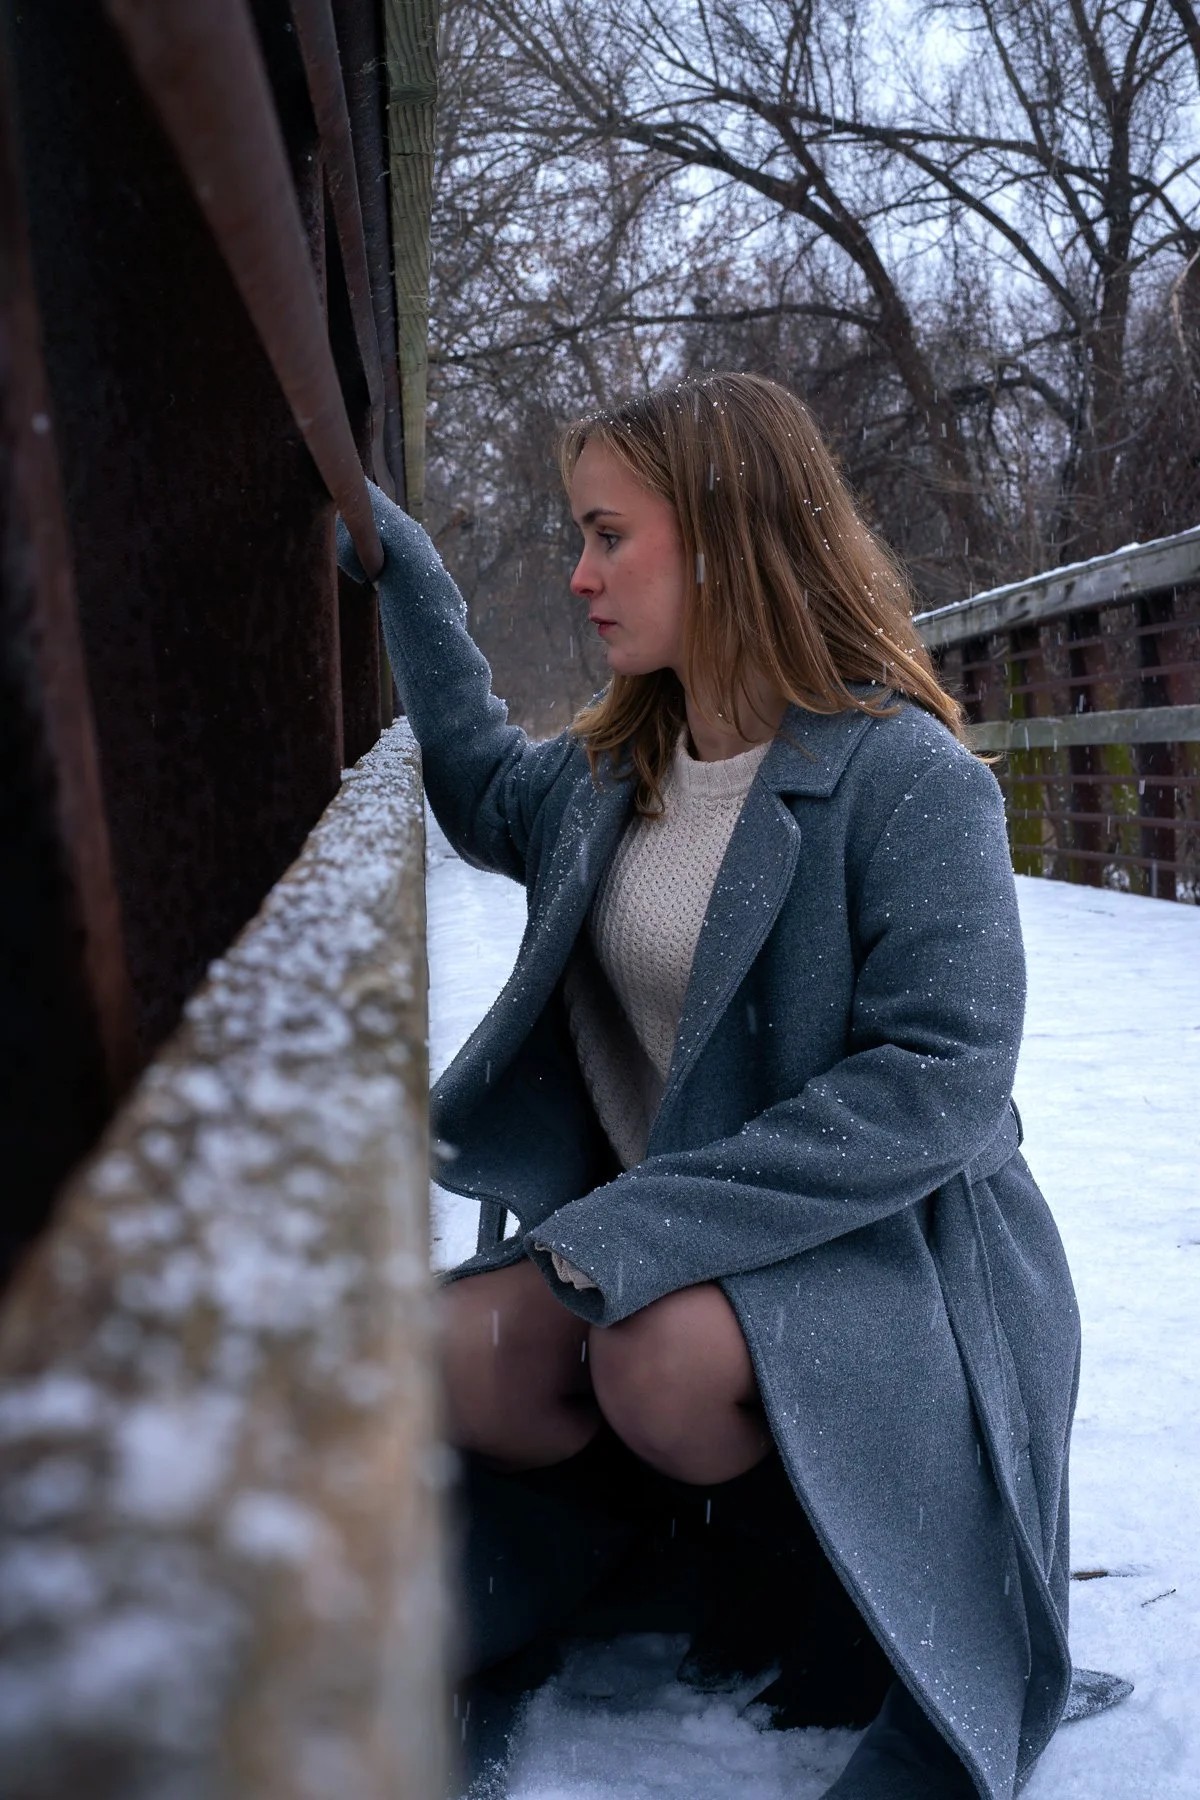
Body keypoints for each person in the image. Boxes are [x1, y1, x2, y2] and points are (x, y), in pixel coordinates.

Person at [338, 372, 1080, 1799]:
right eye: (577, 534)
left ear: (728, 536)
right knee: (450, 1357)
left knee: (652, 1356)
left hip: (883, 1252)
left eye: (611, 535)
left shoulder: (907, 781)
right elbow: (482, 773)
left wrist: (639, 1230)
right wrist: (402, 571)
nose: (580, 572)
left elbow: (941, 1082)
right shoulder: (617, 771)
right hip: (665, 1250)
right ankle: (654, 1536)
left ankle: (827, 1591)